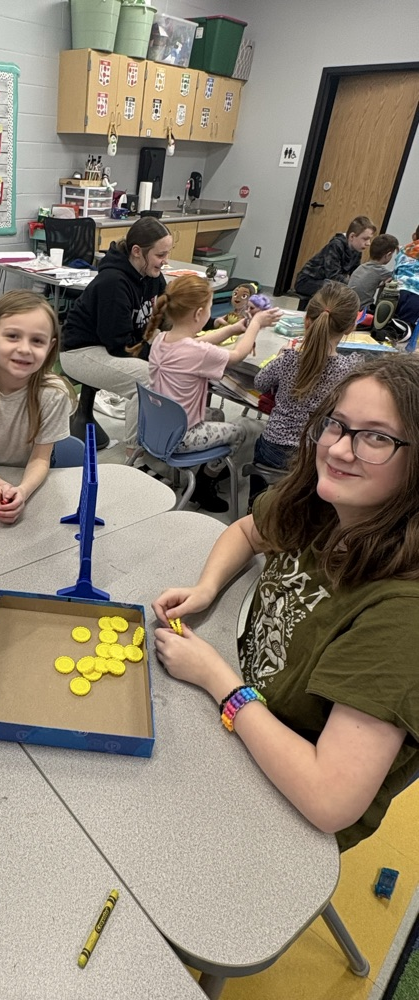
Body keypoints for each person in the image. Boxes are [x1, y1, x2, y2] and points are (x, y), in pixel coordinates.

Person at [152, 354, 419, 852]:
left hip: (288, 808)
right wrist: (208, 587)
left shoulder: (402, 614)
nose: (339, 449)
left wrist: (217, 678)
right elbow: (247, 530)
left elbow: (329, 800)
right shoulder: (324, 505)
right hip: (249, 722)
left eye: (377, 437)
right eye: (336, 424)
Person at [139, 275, 281, 513]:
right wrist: (255, 325)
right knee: (241, 431)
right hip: (183, 436)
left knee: (215, 414)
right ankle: (205, 483)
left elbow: (200, 340)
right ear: (198, 314)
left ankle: (206, 469)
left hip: (157, 428)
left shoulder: (161, 340)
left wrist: (235, 328)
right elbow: (237, 355)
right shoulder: (198, 352)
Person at [0, 289, 75, 525]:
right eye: (12, 336)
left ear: (50, 347)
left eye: (37, 341)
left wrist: (22, 491)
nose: (25, 349)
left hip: (34, 480)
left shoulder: (53, 395)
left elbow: (40, 460)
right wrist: (2, 486)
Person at [59, 217, 173, 457]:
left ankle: (161, 441)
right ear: (137, 252)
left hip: (113, 345)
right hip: (81, 351)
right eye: (160, 255)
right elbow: (118, 344)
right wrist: (159, 355)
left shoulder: (152, 277)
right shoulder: (113, 282)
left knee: (168, 367)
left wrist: (211, 323)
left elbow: (169, 312)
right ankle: (135, 453)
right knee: (146, 379)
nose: (165, 261)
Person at [248, 281, 361, 507]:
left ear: (306, 320)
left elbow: (260, 382)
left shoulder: (289, 359)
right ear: (350, 328)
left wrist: (281, 358)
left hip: (273, 450)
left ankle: (254, 506)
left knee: (259, 449)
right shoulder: (351, 368)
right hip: (314, 457)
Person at [294, 215, 375, 306]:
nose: (368, 243)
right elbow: (333, 276)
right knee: (336, 289)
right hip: (307, 282)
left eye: (369, 239)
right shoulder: (336, 245)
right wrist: (352, 284)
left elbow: (355, 274)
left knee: (343, 289)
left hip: (326, 282)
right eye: (365, 239)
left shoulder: (357, 250)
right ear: (352, 236)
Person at [347, 233, 399, 309]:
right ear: (388, 255)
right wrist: (402, 255)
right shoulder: (380, 271)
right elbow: (398, 276)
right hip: (362, 310)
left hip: (349, 305)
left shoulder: (362, 267)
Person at [393, 226, 419, 330]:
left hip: (395, 291)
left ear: (414, 236)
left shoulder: (404, 249)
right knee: (403, 332)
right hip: (415, 296)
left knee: (390, 328)